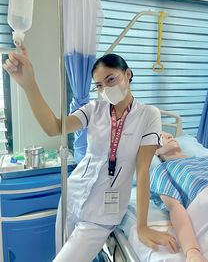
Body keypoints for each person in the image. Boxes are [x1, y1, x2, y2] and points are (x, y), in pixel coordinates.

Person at [3, 46, 178, 262]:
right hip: (72, 197)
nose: (105, 89)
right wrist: (29, 85)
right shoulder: (93, 109)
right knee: (60, 252)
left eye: (111, 79)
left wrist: (142, 226)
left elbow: (143, 170)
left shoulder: (148, 115)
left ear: (128, 74)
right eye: (99, 85)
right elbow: (54, 127)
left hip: (102, 214)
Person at [149, 132, 208, 262]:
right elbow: (175, 207)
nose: (170, 137)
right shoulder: (161, 170)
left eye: (170, 135)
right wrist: (192, 251)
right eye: (163, 137)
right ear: (155, 152)